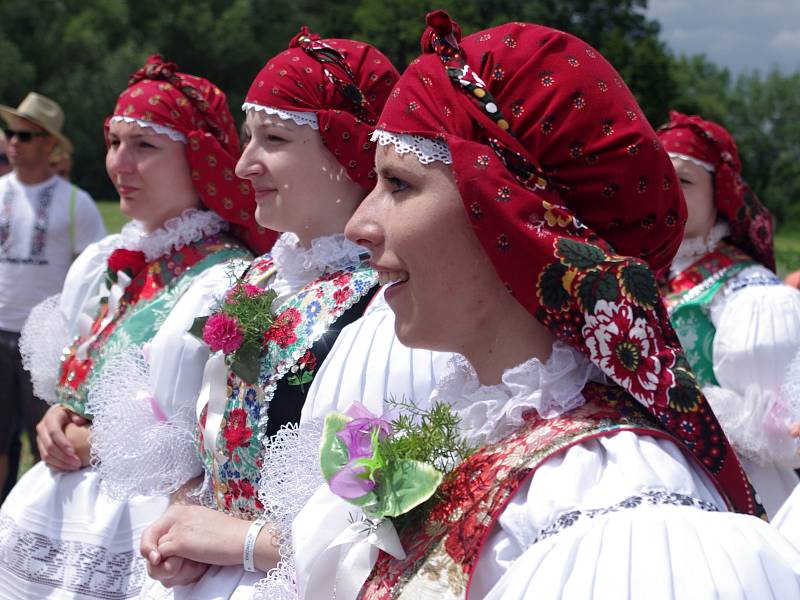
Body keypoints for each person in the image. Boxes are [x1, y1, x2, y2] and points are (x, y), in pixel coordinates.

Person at [287, 12, 800, 599]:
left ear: (516, 216)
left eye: (399, 185)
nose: (359, 224)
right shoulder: (487, 425)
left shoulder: (613, 510)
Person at [91, 31, 451, 599]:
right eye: (248, 137)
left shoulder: (392, 308)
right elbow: (210, 449)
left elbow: (401, 525)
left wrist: (241, 540)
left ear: (348, 151)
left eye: (274, 138)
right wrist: (184, 522)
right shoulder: (260, 277)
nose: (242, 165)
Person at [0, 56, 268, 599]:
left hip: (144, 537)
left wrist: (90, 439)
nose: (120, 163)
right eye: (114, 142)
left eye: (145, 146)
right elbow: (86, 386)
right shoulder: (108, 263)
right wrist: (60, 415)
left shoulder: (229, 282)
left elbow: (220, 442)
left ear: (200, 158)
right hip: (56, 514)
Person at [657, 111, 800, 517]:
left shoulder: (752, 295)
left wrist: (693, 406)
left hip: (743, 501)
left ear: (719, 193)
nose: (666, 190)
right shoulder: (644, 274)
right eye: (655, 176)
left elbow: (786, 437)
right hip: (666, 490)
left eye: (683, 180)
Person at [0, 92, 105, 498]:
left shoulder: (78, 204)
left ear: (49, 142)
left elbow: (98, 280)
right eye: (9, 133)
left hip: (47, 343)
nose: (12, 141)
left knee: (52, 445)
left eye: (24, 135)